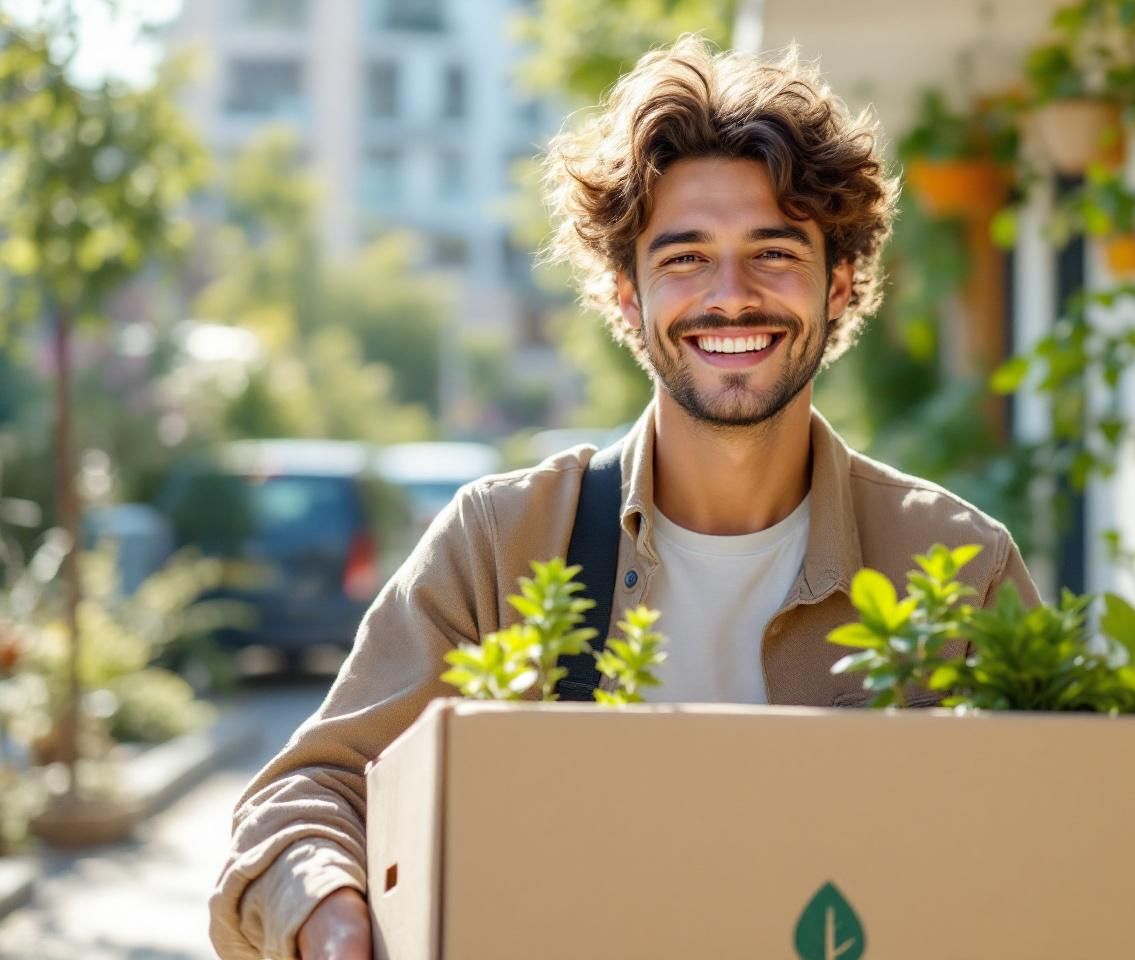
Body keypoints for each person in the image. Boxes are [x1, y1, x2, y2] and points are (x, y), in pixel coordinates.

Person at [208, 36, 1041, 960]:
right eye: (685, 259)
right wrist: (330, 913)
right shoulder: (501, 544)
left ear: (838, 283)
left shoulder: (959, 566)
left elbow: (1062, 830)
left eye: (774, 252)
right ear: (626, 297)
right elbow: (311, 794)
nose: (731, 297)